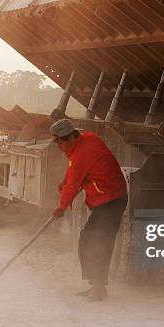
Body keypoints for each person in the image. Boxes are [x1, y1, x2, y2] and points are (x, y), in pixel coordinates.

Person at [50, 119, 127, 301]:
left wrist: (61, 208)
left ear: (70, 138)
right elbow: (74, 167)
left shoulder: (82, 154)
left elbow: (73, 181)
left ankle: (98, 289)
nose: (59, 147)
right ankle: (96, 285)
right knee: (91, 240)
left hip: (110, 200)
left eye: (60, 142)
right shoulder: (88, 138)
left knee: (96, 242)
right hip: (110, 198)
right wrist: (66, 180)